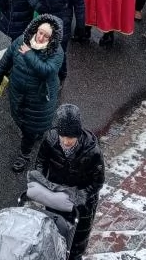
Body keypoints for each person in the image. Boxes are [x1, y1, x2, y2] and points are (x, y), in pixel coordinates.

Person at [0, 13, 65, 172]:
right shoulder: (22, 40)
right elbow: (6, 60)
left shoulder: (56, 52)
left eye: (46, 36)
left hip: (38, 100)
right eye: (40, 32)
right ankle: (33, 136)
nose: (41, 37)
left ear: (52, 38)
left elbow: (47, 70)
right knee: (19, 119)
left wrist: (29, 54)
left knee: (30, 128)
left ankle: (24, 155)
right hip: (18, 94)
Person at [37, 104, 106, 260]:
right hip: (56, 199)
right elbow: (41, 162)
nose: (67, 141)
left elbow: (98, 181)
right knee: (53, 237)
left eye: (71, 137)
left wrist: (79, 197)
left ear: (78, 134)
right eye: (63, 136)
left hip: (81, 207)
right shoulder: (50, 140)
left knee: (75, 246)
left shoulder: (92, 151)